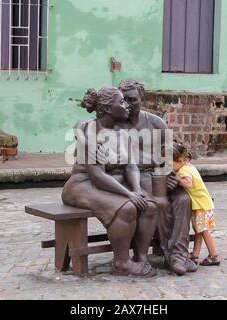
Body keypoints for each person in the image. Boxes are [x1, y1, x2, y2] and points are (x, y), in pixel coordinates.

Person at [62, 86, 158, 277]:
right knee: (127, 207)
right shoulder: (88, 133)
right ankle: (122, 263)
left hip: (111, 182)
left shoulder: (122, 133)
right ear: (106, 108)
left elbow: (131, 166)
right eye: (121, 102)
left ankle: (141, 258)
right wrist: (129, 194)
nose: (127, 106)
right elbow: (97, 176)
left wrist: (137, 189)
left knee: (149, 205)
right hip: (83, 184)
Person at [118, 79, 197, 275]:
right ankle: (172, 256)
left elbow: (170, 152)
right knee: (159, 202)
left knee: (183, 199)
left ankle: (179, 254)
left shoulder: (155, 122)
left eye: (133, 99)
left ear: (142, 98)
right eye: (124, 100)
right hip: (132, 178)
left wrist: (170, 172)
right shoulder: (116, 125)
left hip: (158, 173)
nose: (128, 104)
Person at [171, 142, 221, 266]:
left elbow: (188, 184)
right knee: (199, 230)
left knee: (204, 231)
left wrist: (176, 178)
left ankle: (213, 255)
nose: (169, 167)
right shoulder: (189, 166)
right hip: (203, 204)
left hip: (201, 206)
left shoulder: (183, 171)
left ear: (180, 160)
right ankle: (195, 255)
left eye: (170, 164)